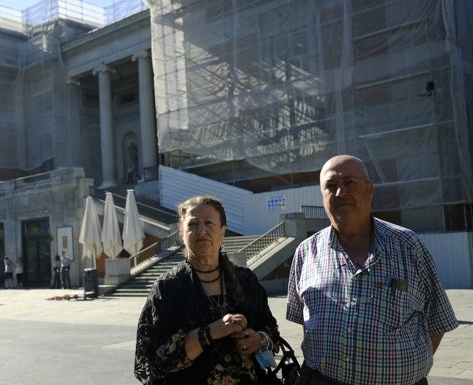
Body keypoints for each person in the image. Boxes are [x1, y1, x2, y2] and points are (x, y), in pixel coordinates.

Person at [286, 155, 459, 385]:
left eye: (349, 183)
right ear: (323, 195)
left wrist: (403, 368)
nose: (340, 193)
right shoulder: (306, 252)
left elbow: (437, 320)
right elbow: (305, 322)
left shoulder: (407, 245)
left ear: (369, 189)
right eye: (331, 186)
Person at [134, 195, 280, 385]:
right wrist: (210, 332)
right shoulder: (168, 287)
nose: (201, 230)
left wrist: (258, 340)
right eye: (193, 224)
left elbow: (272, 333)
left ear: (222, 231)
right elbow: (153, 359)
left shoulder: (245, 280)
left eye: (209, 223)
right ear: (181, 233)